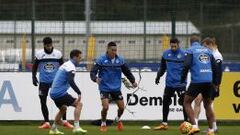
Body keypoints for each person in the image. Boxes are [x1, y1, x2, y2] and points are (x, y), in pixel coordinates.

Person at [90, 41, 138, 132]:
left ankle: (118, 119)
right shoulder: (101, 60)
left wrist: (133, 81)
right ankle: (103, 124)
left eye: (116, 50)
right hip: (104, 87)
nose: (114, 52)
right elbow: (93, 72)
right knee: (105, 107)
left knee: (121, 108)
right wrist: (95, 79)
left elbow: (127, 72)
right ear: (107, 50)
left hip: (116, 88)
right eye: (112, 50)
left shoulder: (120, 60)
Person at [32, 37, 73, 129]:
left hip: (56, 82)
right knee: (43, 101)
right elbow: (34, 67)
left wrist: (65, 78)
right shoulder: (39, 54)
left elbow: (63, 67)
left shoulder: (58, 54)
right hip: (43, 82)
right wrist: (33, 77)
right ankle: (46, 122)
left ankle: (65, 121)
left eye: (50, 45)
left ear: (52, 44)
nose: (49, 47)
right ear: (44, 45)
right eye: (47, 45)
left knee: (61, 100)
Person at [181, 34, 218, 135]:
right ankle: (211, 130)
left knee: (187, 102)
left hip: (197, 81)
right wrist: (215, 83)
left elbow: (187, 64)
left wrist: (182, 78)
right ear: (199, 41)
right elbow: (215, 67)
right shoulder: (208, 51)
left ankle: (194, 126)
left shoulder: (190, 50)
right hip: (208, 81)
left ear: (190, 42)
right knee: (208, 105)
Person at [49, 49, 87, 134]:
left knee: (63, 109)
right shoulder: (70, 66)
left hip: (53, 93)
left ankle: (53, 129)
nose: (80, 60)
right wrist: (79, 92)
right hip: (59, 93)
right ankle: (76, 127)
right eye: (79, 58)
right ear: (74, 57)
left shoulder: (66, 64)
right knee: (79, 104)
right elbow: (71, 81)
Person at [154, 38, 188, 130]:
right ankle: (164, 123)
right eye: (171, 46)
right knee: (165, 102)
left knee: (185, 103)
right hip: (169, 83)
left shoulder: (184, 55)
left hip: (181, 84)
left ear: (178, 44)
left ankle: (186, 123)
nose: (173, 48)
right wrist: (158, 76)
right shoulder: (166, 54)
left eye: (175, 46)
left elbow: (188, 68)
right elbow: (162, 67)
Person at [193, 37, 223, 133]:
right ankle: (211, 127)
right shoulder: (211, 53)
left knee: (205, 104)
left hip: (212, 84)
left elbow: (218, 71)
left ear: (209, 44)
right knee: (204, 104)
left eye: (205, 46)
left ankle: (199, 126)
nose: (204, 49)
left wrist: (217, 84)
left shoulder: (217, 55)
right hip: (207, 82)